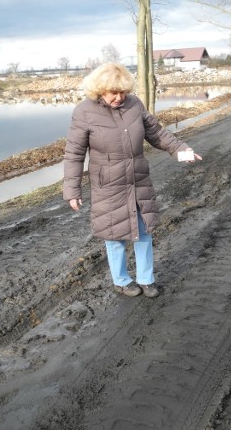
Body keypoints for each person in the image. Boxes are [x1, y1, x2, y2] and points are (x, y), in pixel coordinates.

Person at [63, 62, 202, 298]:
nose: (119, 97)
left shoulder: (135, 104)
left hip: (138, 180)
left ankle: (146, 279)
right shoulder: (84, 112)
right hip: (108, 185)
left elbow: (157, 133)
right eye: (113, 93)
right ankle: (122, 280)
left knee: (144, 231)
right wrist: (72, 190)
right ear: (100, 90)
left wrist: (181, 150)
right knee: (114, 235)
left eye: (123, 92)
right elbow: (74, 153)